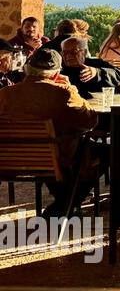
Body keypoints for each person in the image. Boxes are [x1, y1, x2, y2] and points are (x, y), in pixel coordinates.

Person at [0, 48, 99, 199]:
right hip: (55, 160)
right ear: (57, 73)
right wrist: (72, 89)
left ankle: (64, 203)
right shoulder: (64, 93)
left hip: (10, 160)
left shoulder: (5, 94)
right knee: (103, 152)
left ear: (27, 69)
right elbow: (90, 121)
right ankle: (67, 204)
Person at [60, 35, 120, 99]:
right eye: (65, 53)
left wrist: (97, 73)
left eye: (74, 52)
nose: (69, 56)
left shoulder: (95, 64)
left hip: (97, 105)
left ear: (84, 52)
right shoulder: (60, 69)